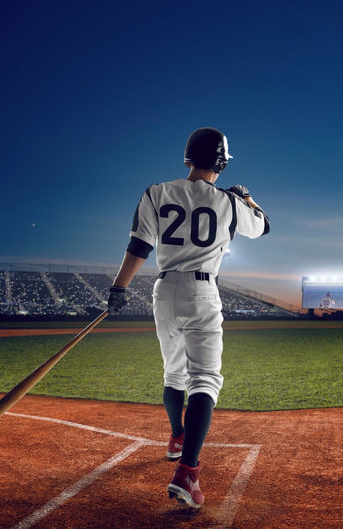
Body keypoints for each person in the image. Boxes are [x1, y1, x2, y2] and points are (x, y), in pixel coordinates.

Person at [106, 127, 269, 510]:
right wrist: (247, 197)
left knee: (173, 374)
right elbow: (263, 225)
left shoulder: (156, 191)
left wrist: (119, 288)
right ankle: (187, 472)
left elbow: (139, 246)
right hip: (202, 290)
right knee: (205, 379)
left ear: (188, 158)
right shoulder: (230, 202)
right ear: (222, 162)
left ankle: (177, 437)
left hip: (163, 291)